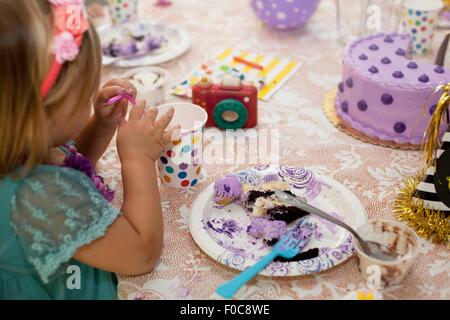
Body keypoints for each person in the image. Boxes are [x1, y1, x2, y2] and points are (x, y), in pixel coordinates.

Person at [0, 0, 179, 299]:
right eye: (83, 92)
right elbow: (141, 253)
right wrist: (138, 159)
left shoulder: (23, 145)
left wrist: (101, 125)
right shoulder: (37, 196)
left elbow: (69, 165)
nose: (91, 93)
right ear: (40, 114)